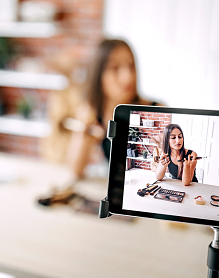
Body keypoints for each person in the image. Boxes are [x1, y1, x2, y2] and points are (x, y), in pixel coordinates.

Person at [66, 38, 160, 179]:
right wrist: (83, 129)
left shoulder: (156, 110)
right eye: (115, 68)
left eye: (131, 66)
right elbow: (75, 171)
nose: (127, 77)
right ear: (99, 75)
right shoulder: (94, 114)